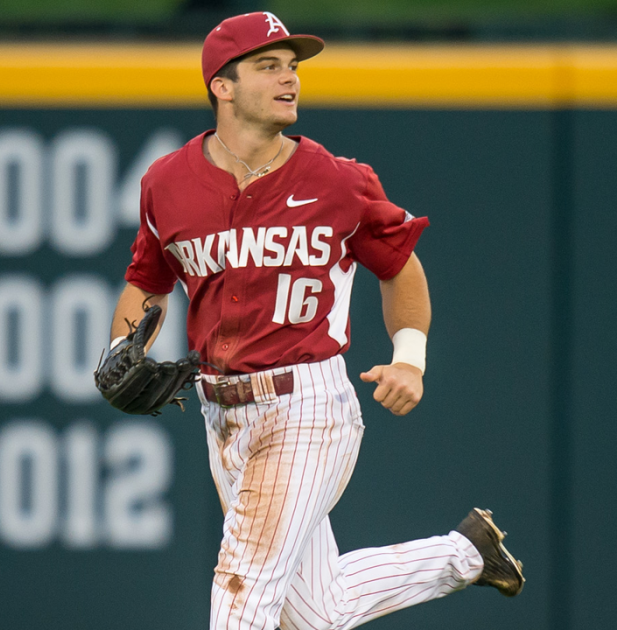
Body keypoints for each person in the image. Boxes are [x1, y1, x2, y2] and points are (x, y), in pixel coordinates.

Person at [106, 10, 524, 630]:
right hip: (222, 414)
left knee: (242, 587)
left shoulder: (336, 180)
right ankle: (465, 555)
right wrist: (121, 349)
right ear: (221, 85)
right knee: (313, 612)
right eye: (267, 66)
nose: (289, 79)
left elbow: (399, 265)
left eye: (293, 67)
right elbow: (149, 279)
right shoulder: (166, 183)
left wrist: (411, 357)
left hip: (306, 405)